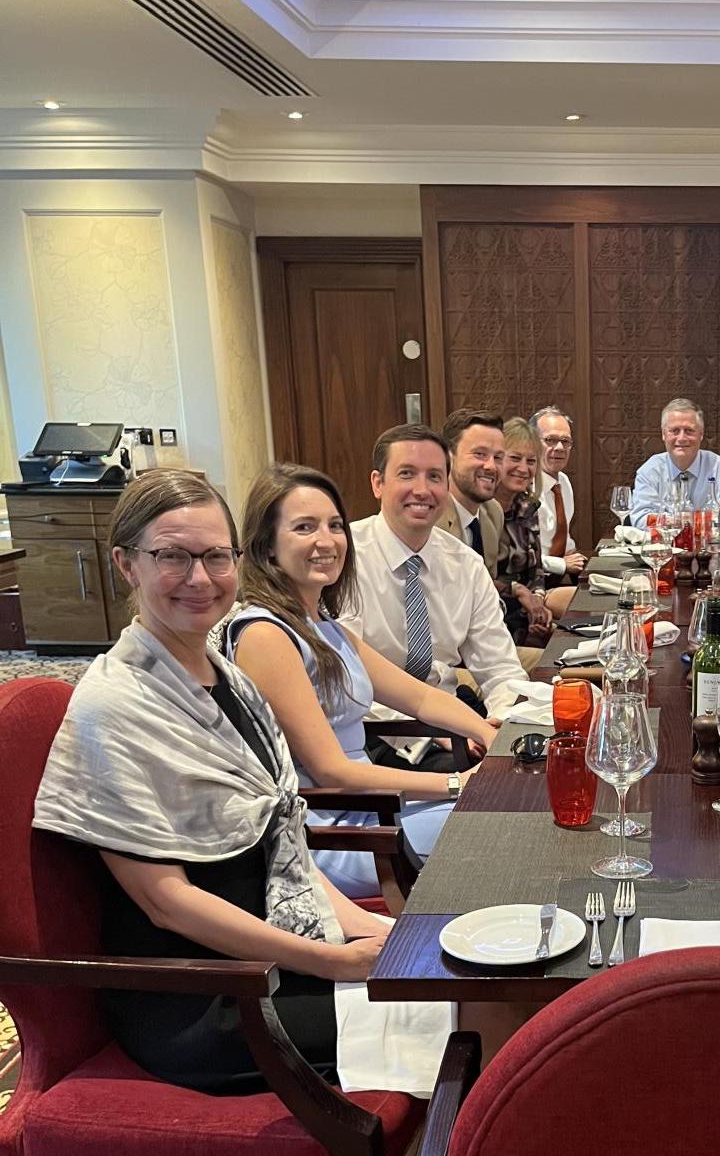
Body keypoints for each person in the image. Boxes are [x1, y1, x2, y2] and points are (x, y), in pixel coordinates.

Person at [30, 469, 450, 1097]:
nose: (200, 578)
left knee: (459, 973)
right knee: (454, 1014)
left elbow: (283, 847)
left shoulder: (231, 682)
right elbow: (164, 903)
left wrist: (372, 931)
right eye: (173, 556)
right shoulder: (113, 706)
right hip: (208, 995)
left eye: (215, 556)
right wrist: (334, 961)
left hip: (276, 942)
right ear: (126, 565)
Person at [225, 463, 497, 899]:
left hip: (377, 808)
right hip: (336, 834)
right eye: (304, 527)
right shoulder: (264, 635)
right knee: (507, 825)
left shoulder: (324, 625)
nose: (327, 540)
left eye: (335, 525)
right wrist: (457, 783)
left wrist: (488, 734)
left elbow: (420, 698)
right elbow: (332, 770)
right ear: (267, 547)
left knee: (516, 805)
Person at [349, 425, 532, 754]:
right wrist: (431, 734)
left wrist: (501, 722)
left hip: (452, 720)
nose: (422, 490)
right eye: (407, 474)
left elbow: (499, 666)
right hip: (372, 730)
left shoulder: (465, 565)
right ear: (378, 483)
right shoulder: (344, 560)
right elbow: (346, 681)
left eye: (434, 477)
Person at [630, 398, 720, 526]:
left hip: (709, 545)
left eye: (689, 431)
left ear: (701, 434)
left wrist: (670, 522)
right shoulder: (650, 471)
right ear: (663, 434)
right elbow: (640, 519)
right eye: (675, 431)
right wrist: (695, 521)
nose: (682, 438)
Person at [495, 418, 555, 655]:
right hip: (497, 627)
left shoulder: (528, 507)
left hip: (525, 622)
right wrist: (520, 592)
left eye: (531, 461)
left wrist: (538, 602)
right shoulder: (481, 512)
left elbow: (536, 571)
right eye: (515, 458)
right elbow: (478, 582)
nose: (524, 468)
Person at [441, 408, 506, 577]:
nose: (491, 466)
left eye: (498, 457)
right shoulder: (431, 518)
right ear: (448, 457)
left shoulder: (493, 512)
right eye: (480, 454)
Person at [531, 405, 586, 597]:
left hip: (557, 581)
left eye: (565, 441)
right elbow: (523, 557)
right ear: (532, 443)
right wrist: (562, 564)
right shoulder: (525, 489)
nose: (560, 448)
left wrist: (572, 554)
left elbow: (563, 536)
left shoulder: (563, 481)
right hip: (533, 585)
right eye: (550, 440)